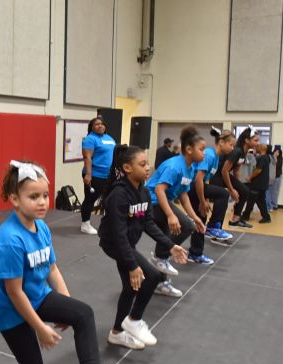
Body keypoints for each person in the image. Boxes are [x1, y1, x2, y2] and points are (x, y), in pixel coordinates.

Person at [0, 160, 144, 364]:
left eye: (45, 195)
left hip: (35, 293)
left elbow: (52, 269)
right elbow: (14, 294)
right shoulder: (8, 242)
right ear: (14, 199)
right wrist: (40, 328)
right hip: (9, 309)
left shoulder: (41, 228)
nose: (43, 202)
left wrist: (66, 303)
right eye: (34, 196)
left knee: (83, 313)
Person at [99, 145, 188, 349]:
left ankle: (117, 333)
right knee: (153, 276)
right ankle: (134, 320)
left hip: (125, 243)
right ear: (127, 168)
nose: (148, 168)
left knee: (132, 287)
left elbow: (148, 223)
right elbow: (119, 235)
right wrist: (132, 265)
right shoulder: (119, 195)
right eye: (143, 164)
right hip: (114, 243)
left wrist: (171, 245)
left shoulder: (144, 192)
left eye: (148, 163)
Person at [146, 126, 208, 298]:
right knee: (184, 225)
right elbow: (159, 190)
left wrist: (195, 217)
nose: (204, 153)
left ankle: (161, 282)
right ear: (189, 149)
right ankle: (160, 257)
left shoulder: (191, 168)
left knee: (173, 232)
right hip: (151, 201)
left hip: (163, 201)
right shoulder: (175, 166)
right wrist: (171, 215)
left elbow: (183, 194)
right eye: (201, 149)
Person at [188, 128, 234, 263]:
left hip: (198, 187)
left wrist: (206, 200)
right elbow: (198, 179)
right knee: (223, 194)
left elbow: (206, 181)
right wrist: (202, 201)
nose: (232, 148)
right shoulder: (209, 155)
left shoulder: (216, 157)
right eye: (230, 144)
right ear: (221, 142)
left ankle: (195, 254)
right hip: (190, 186)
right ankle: (213, 226)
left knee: (201, 219)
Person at [211, 127, 256, 228]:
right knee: (223, 197)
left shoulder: (244, 152)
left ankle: (235, 219)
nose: (257, 143)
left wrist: (238, 187)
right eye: (255, 140)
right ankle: (214, 226)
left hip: (223, 174)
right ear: (247, 140)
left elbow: (236, 170)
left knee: (244, 190)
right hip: (217, 176)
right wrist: (232, 190)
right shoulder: (236, 151)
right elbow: (224, 171)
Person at [79, 117, 117, 235]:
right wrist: (88, 174)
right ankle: (85, 224)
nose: (100, 126)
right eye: (96, 124)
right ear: (91, 127)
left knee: (108, 199)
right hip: (94, 174)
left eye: (102, 124)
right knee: (90, 200)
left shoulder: (109, 138)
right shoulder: (90, 139)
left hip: (108, 174)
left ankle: (108, 222)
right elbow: (87, 157)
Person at [241, 144, 271, 223]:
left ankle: (245, 216)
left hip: (258, 183)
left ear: (261, 149)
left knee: (251, 199)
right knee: (260, 200)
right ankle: (266, 217)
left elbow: (258, 170)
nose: (255, 148)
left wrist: (250, 177)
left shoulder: (262, 158)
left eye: (257, 147)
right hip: (263, 183)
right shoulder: (266, 158)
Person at [268, 147, 283, 211]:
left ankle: (274, 204)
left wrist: (275, 157)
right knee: (269, 191)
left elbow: (276, 166)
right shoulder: (271, 157)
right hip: (271, 177)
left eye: (278, 151)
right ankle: (270, 204)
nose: (277, 152)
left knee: (275, 192)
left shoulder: (280, 158)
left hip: (277, 177)